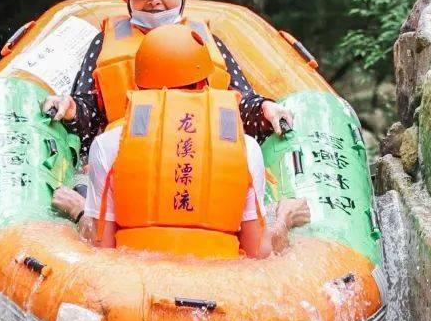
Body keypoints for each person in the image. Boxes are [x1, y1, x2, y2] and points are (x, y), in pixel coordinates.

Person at [46, 0, 294, 220]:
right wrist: (71, 109)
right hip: (123, 159)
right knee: (87, 191)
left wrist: (265, 109)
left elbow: (240, 103)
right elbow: (88, 113)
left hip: (199, 158)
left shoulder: (207, 43)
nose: (154, 0)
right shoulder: (106, 45)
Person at [76, 23, 310, 260]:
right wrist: (284, 219)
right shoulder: (245, 147)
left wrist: (77, 211)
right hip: (221, 285)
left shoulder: (107, 145)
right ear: (204, 83)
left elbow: (101, 248)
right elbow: (258, 253)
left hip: (138, 281)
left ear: (139, 86)